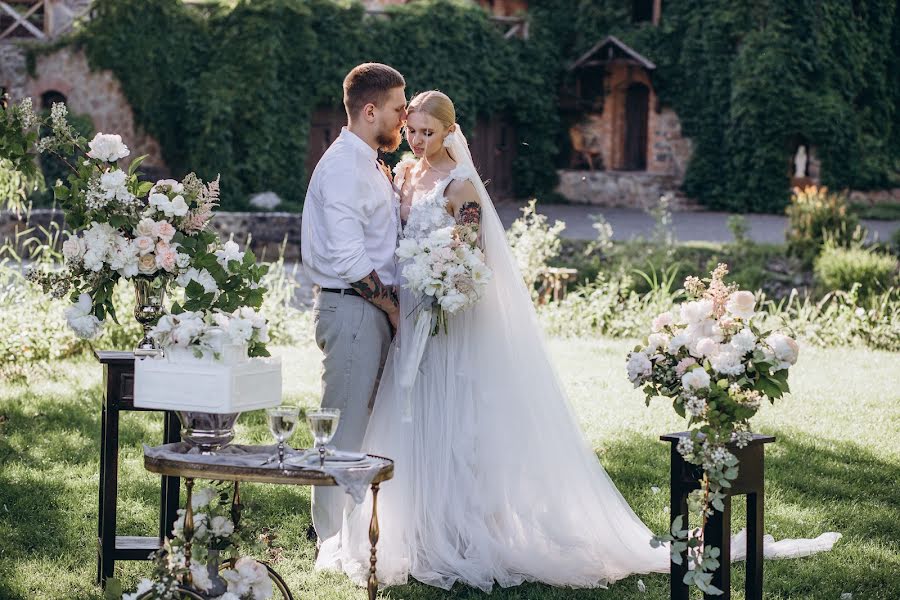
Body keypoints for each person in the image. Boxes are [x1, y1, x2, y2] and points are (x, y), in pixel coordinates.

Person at [316, 90, 840, 592]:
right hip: (408, 324)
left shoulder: (460, 187)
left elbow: (473, 260)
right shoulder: (403, 173)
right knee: (407, 422)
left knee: (453, 426)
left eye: (428, 132)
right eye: (410, 131)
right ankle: (406, 528)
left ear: (451, 132)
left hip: (445, 324)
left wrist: (439, 283)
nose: (416, 141)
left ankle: (456, 532)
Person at [300, 62, 407, 547]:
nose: (403, 119)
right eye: (398, 109)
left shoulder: (367, 161)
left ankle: (351, 533)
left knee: (362, 425)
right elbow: (347, 254)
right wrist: (387, 305)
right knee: (343, 429)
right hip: (353, 309)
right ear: (370, 110)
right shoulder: (344, 166)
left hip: (366, 310)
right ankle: (326, 537)